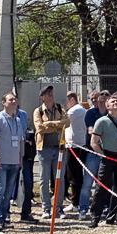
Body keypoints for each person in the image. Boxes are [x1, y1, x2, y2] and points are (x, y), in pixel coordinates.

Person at [88, 93, 117, 227]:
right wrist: (103, 155)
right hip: (107, 156)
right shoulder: (101, 121)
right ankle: (95, 217)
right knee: (102, 187)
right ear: (107, 106)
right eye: (112, 101)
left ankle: (112, 217)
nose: (115, 103)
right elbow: (94, 142)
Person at [0, 92, 25, 232]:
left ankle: (3, 217)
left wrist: (20, 158)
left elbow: (20, 141)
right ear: (4, 102)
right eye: (10, 100)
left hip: (14, 162)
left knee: (8, 192)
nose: (13, 102)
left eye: (15, 99)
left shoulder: (18, 120)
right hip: (1, 162)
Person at [33, 85, 66, 218]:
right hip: (44, 150)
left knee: (60, 180)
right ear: (42, 97)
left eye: (51, 92)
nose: (50, 95)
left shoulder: (60, 108)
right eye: (47, 93)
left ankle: (58, 208)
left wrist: (50, 124)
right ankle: (46, 208)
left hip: (59, 149)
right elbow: (40, 128)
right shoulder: (38, 111)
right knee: (44, 179)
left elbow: (67, 122)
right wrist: (57, 125)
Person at [79, 90, 105, 213]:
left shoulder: (110, 113)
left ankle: (100, 208)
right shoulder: (90, 113)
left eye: (96, 98)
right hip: (93, 152)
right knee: (87, 183)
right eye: (92, 99)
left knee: (103, 184)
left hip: (107, 153)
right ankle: (83, 208)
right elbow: (90, 130)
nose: (94, 101)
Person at [64, 91, 87, 211]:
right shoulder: (80, 110)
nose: (65, 104)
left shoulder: (74, 110)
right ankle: (75, 200)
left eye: (66, 101)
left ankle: (75, 202)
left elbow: (62, 121)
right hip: (74, 145)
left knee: (74, 175)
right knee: (73, 175)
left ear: (72, 99)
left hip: (75, 146)